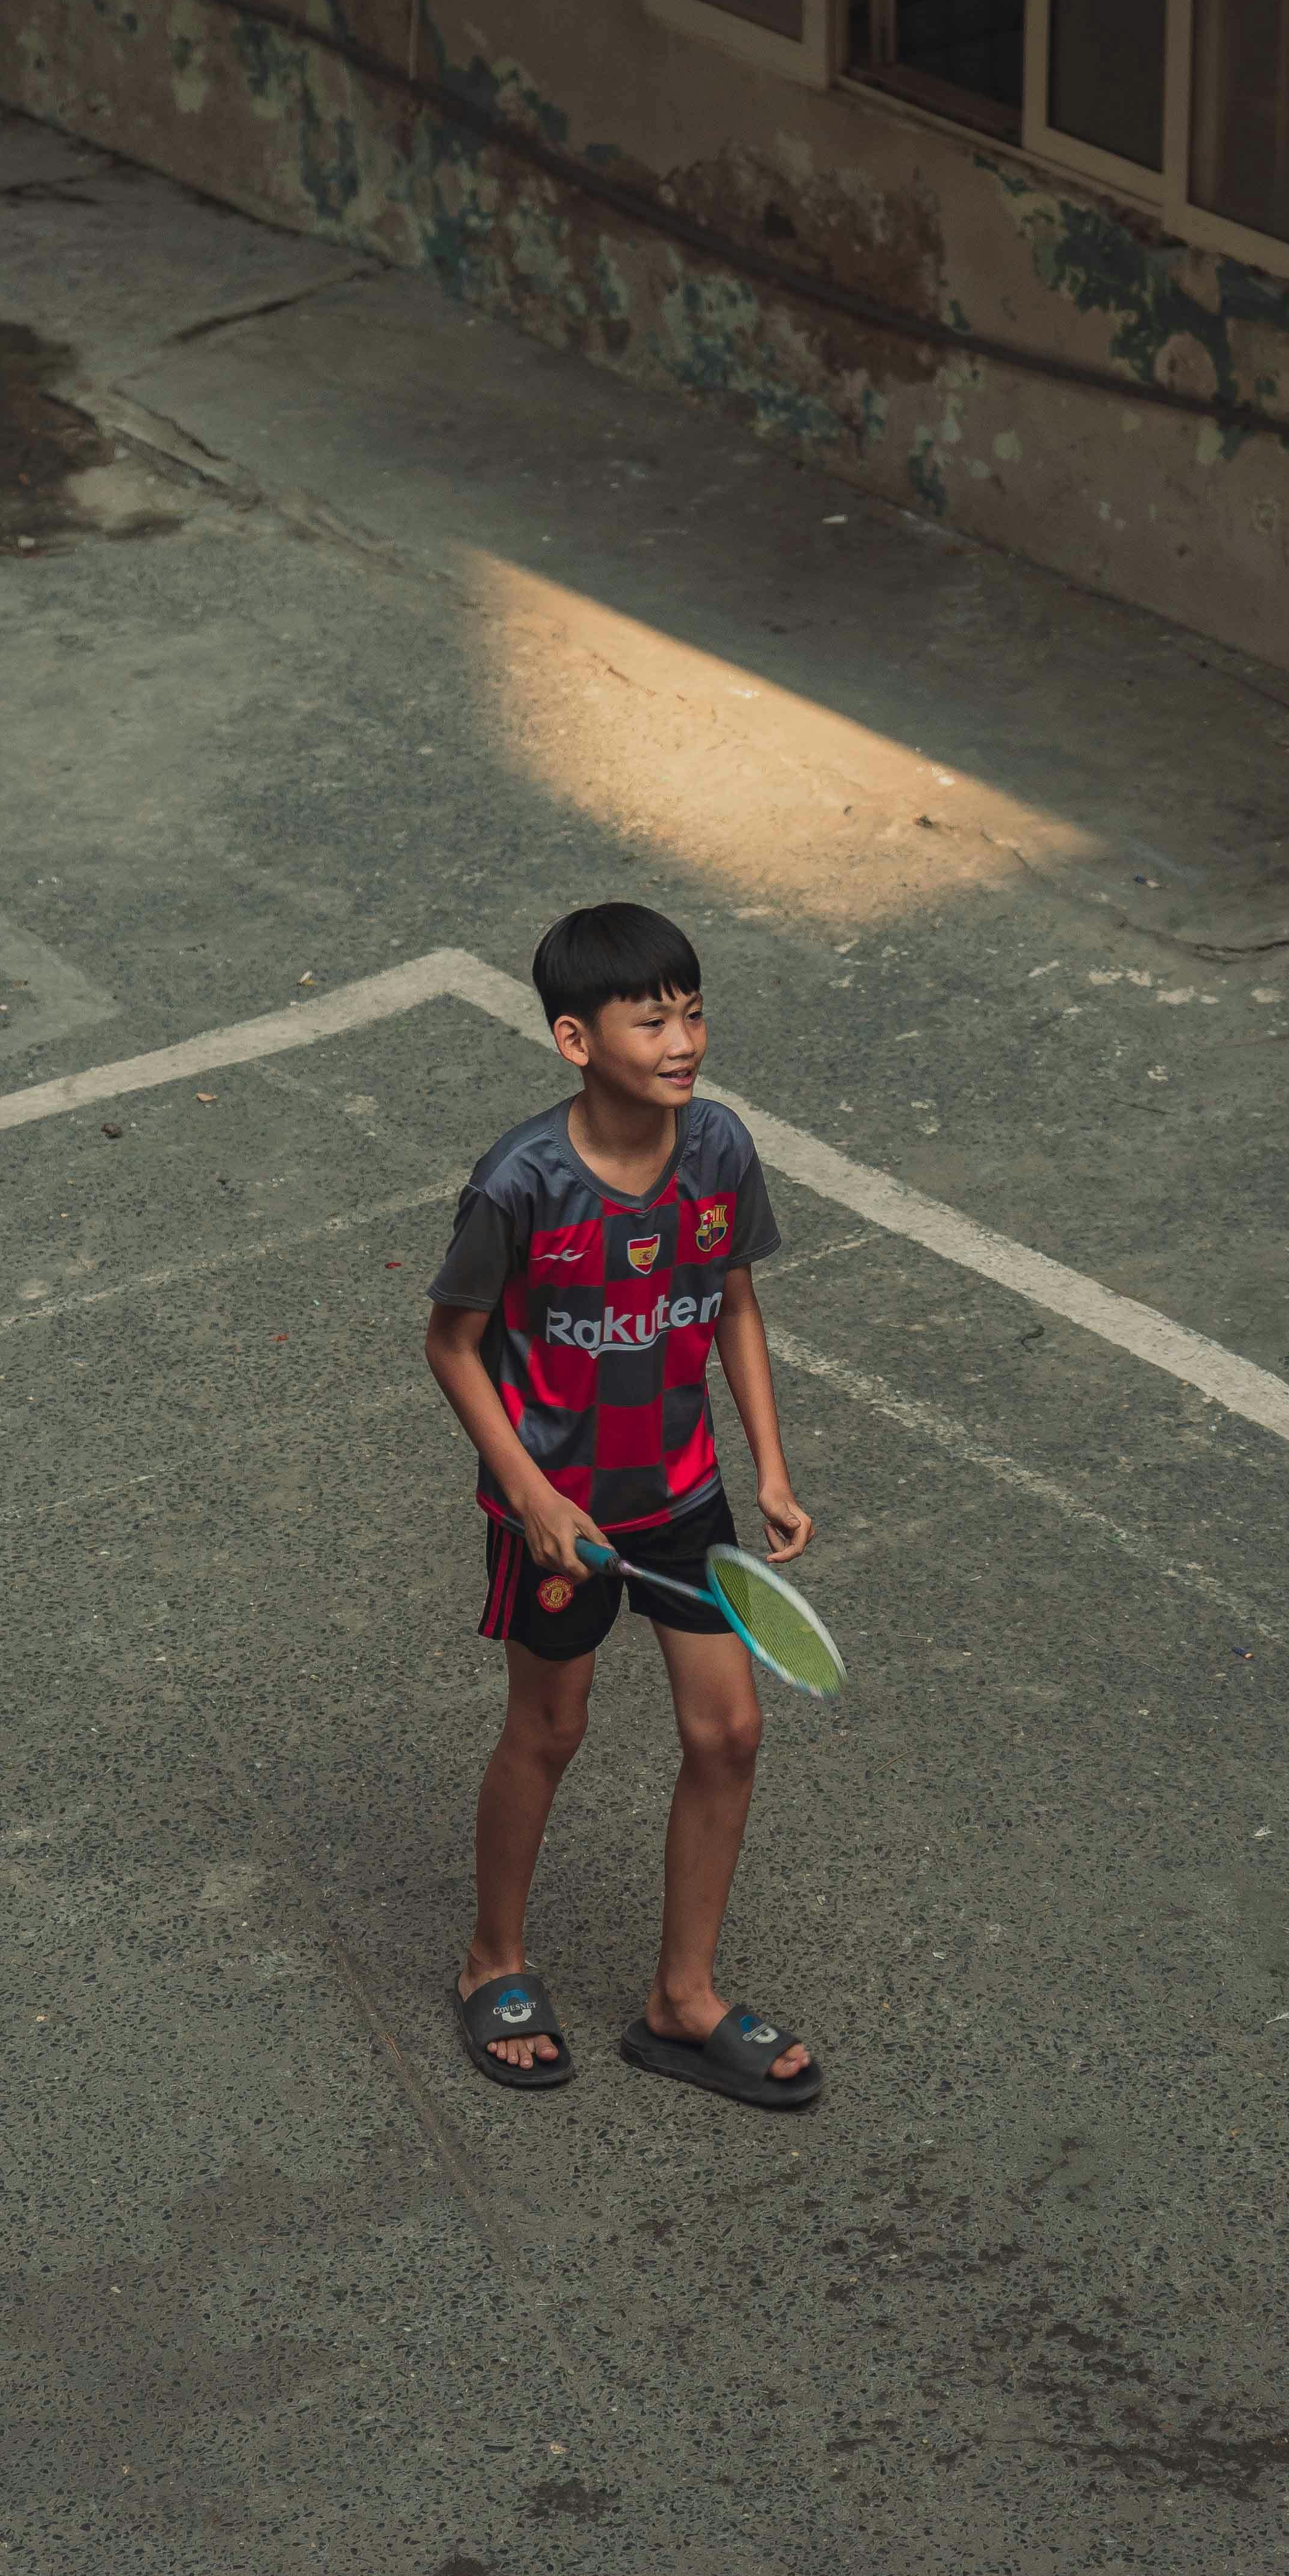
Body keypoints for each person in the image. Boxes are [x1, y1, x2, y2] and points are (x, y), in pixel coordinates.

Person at [424, 901, 823, 2111]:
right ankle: (493, 1962)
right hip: (562, 1514)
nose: (682, 1039)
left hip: (681, 1495)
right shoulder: (520, 1181)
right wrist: (530, 1492)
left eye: (692, 1011)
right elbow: (451, 1343)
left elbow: (733, 1303)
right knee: (549, 1732)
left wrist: (767, 1464)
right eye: (649, 1019)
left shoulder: (719, 1151)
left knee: (730, 1732)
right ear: (572, 1039)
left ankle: (679, 2000)